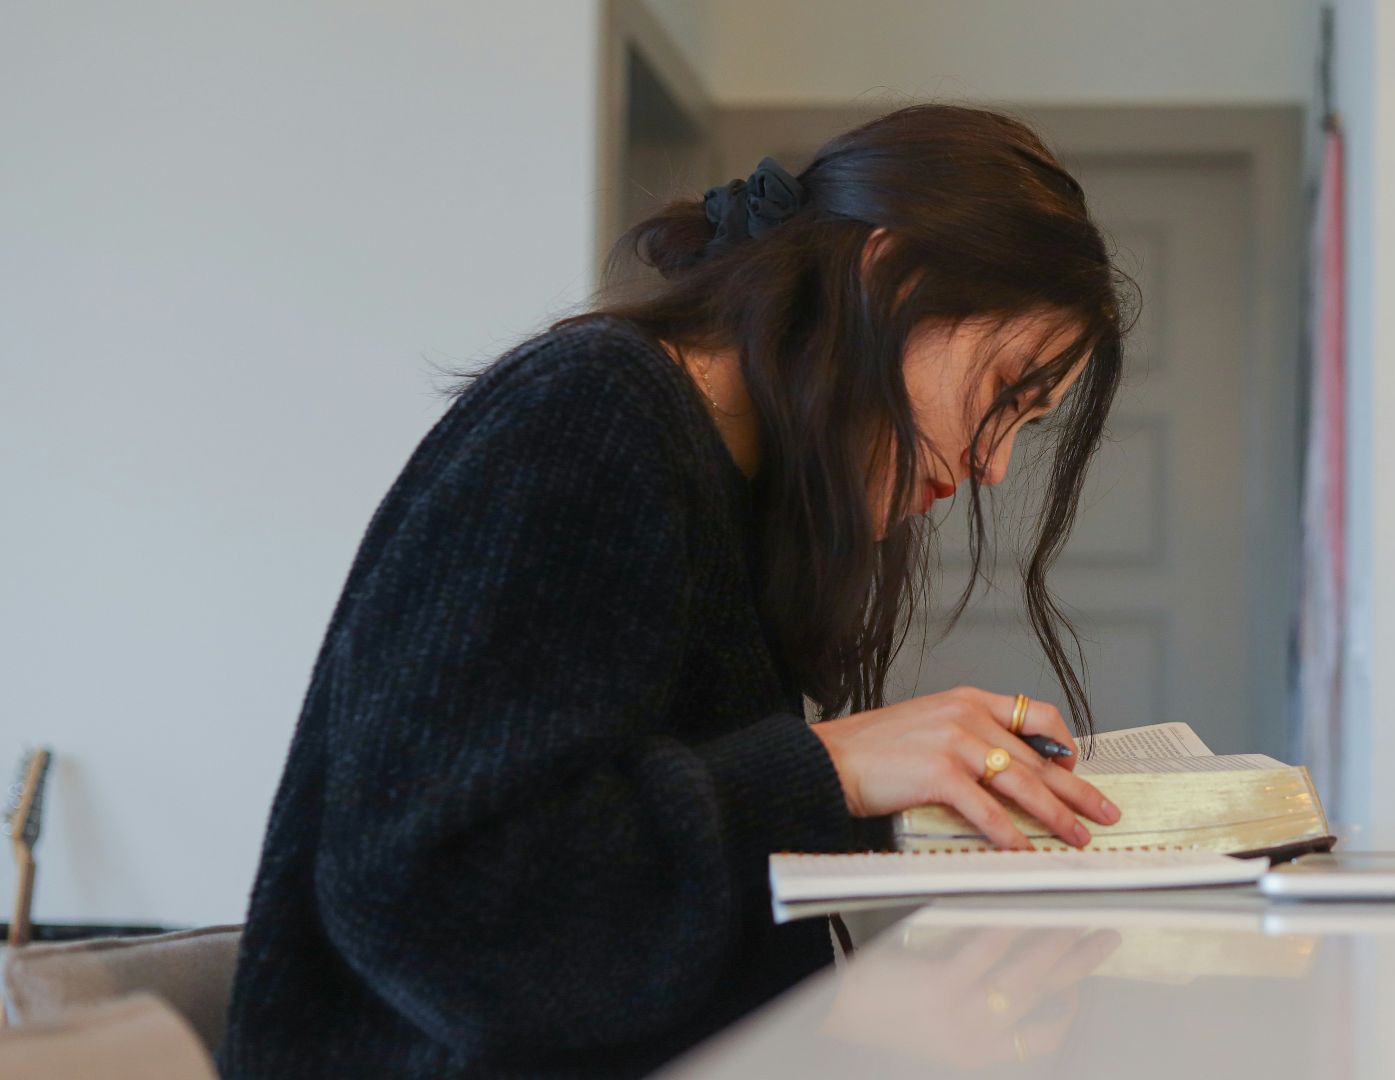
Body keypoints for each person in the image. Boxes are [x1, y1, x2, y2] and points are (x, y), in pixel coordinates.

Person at [218, 102, 1137, 1078]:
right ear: (888, 275)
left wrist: (903, 802)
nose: (994, 465)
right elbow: (445, 899)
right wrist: (825, 771)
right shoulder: (586, 416)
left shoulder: (732, 482)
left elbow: (638, 852)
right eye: (1004, 391)